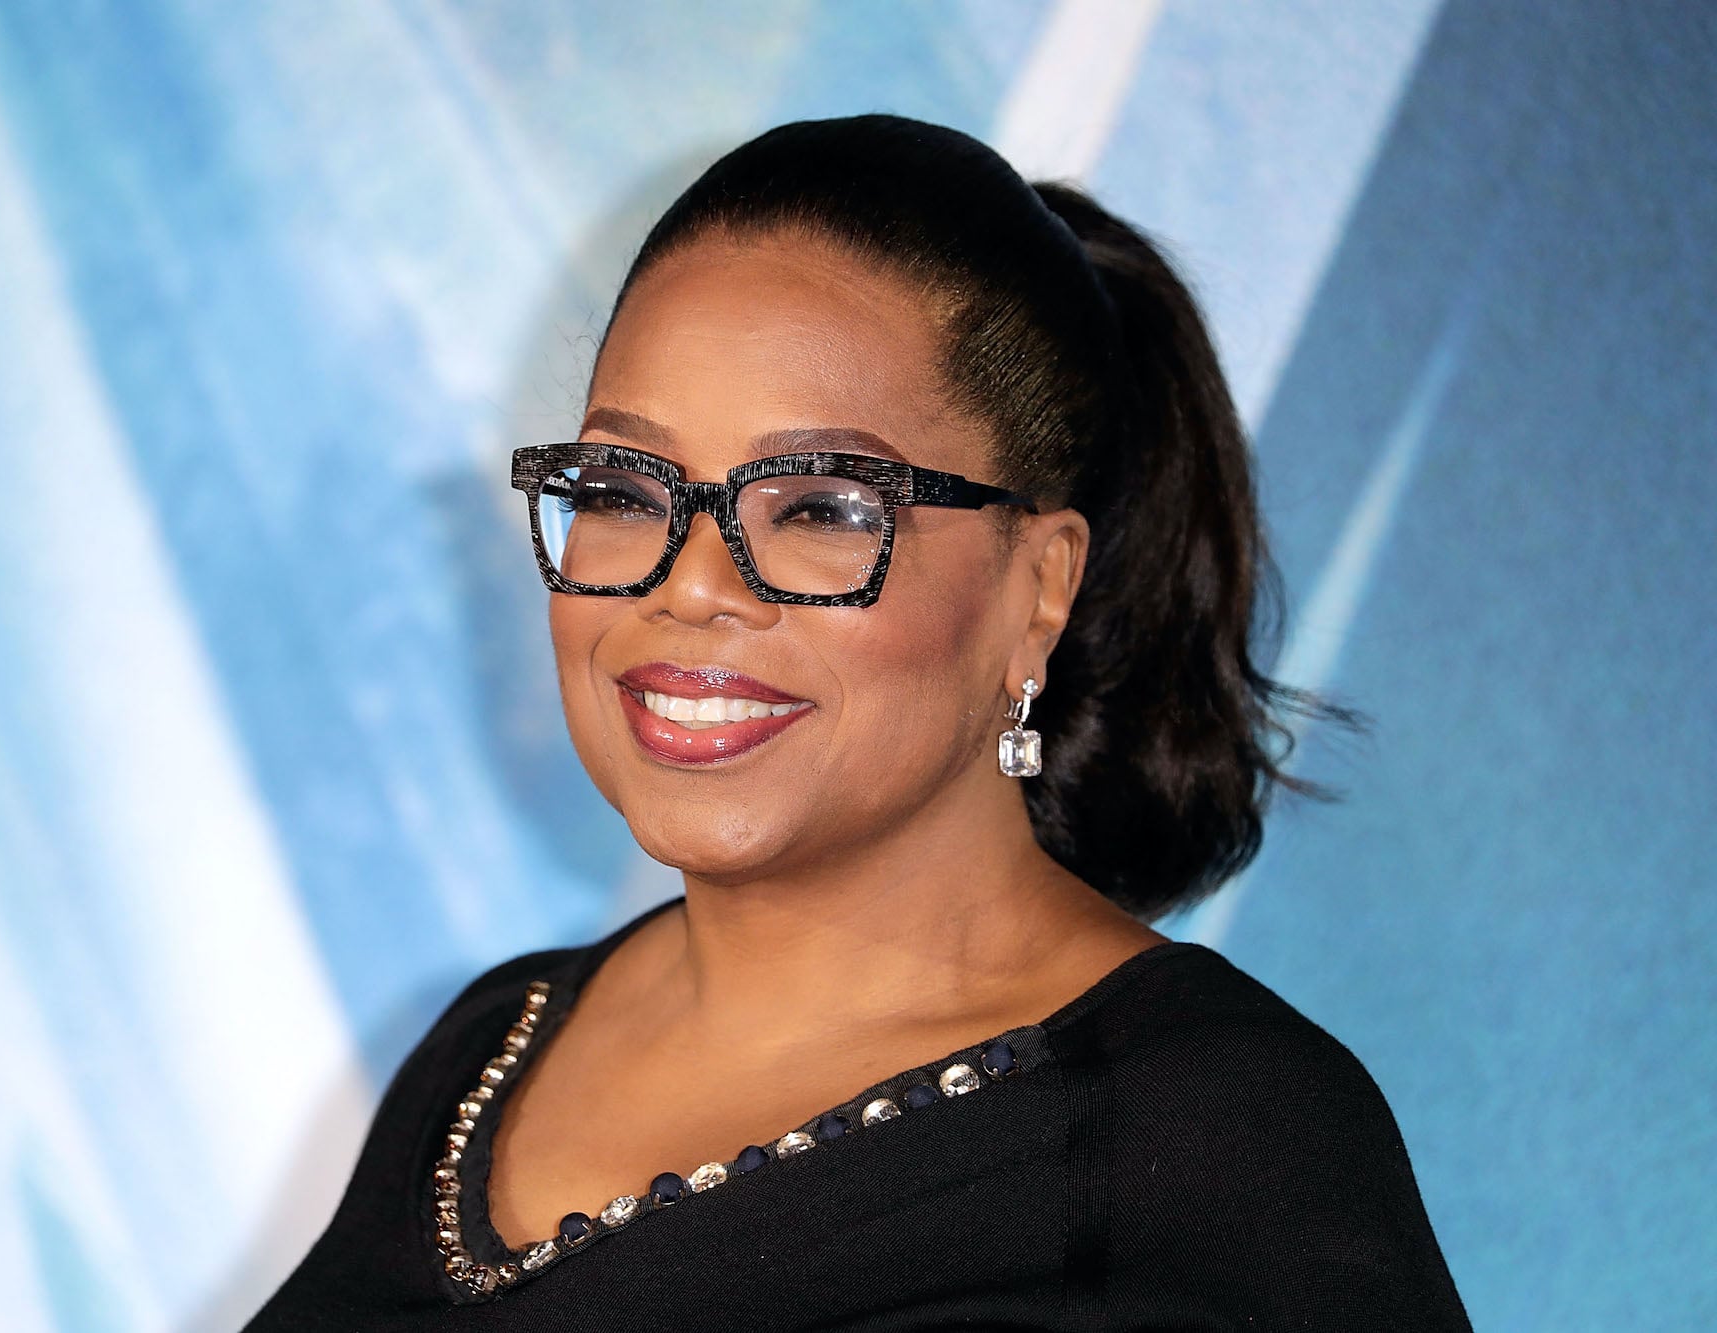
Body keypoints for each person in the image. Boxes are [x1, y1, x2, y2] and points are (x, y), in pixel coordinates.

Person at [246, 114, 1470, 1330]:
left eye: (821, 509)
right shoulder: (489, 1047)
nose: (690, 586)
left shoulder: (1214, 1140)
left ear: (1036, 589)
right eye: (624, 488)